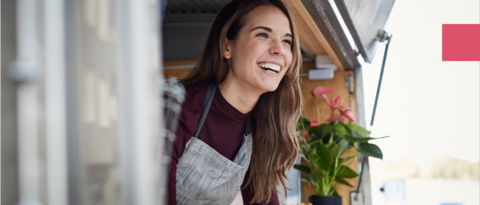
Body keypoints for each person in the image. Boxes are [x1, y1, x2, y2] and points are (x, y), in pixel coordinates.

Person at [168, 0, 303, 204]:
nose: (279, 50)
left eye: (287, 41)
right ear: (227, 46)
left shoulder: (258, 130)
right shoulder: (177, 108)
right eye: (263, 35)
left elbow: (262, 200)